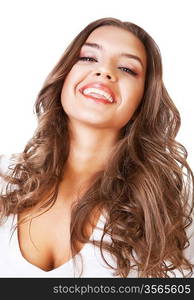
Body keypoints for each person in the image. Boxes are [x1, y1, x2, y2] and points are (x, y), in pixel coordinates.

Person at [0, 17, 194, 278]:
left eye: (127, 68)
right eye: (89, 58)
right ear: (64, 76)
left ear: (143, 101)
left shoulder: (169, 207)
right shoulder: (4, 178)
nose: (105, 72)